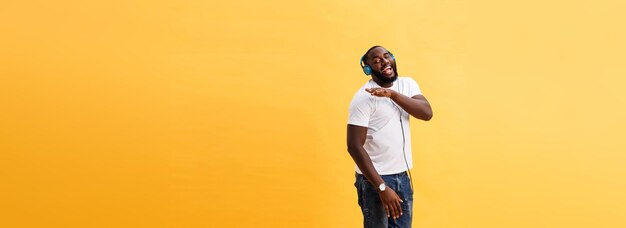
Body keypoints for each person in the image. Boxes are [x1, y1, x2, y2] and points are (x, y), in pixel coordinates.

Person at [347, 46, 433, 228]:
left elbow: (426, 113)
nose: (384, 62)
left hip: (402, 176)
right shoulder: (363, 99)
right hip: (374, 181)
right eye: (377, 61)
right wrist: (382, 187)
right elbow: (354, 146)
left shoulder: (407, 85)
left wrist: (392, 95)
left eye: (386, 57)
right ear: (368, 69)